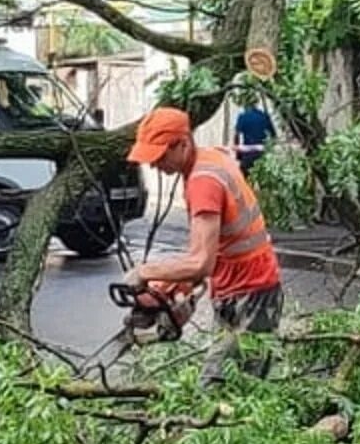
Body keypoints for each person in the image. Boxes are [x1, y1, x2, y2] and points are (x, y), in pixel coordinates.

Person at [121, 106, 282, 384]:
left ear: (182, 144)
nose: (154, 164)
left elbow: (200, 262)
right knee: (239, 386)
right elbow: (214, 248)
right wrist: (177, 286)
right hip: (244, 288)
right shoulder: (211, 159)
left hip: (251, 295)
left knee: (218, 389)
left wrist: (146, 272)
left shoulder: (203, 182)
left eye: (159, 156)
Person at [233, 98, 276, 176]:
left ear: (246, 105)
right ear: (256, 104)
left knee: (243, 178)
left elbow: (236, 136)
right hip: (261, 152)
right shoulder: (264, 116)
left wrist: (238, 153)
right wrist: (269, 149)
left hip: (248, 153)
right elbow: (274, 136)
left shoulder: (242, 117)